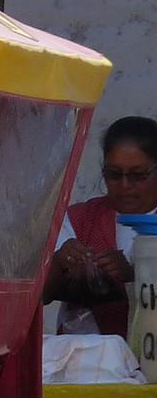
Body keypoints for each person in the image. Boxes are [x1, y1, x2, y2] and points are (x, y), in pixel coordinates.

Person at [44, 115, 157, 337]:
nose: (125, 185)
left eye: (138, 175)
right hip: (79, 360)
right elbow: (41, 296)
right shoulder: (80, 219)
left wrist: (133, 275)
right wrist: (59, 262)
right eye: (114, 174)